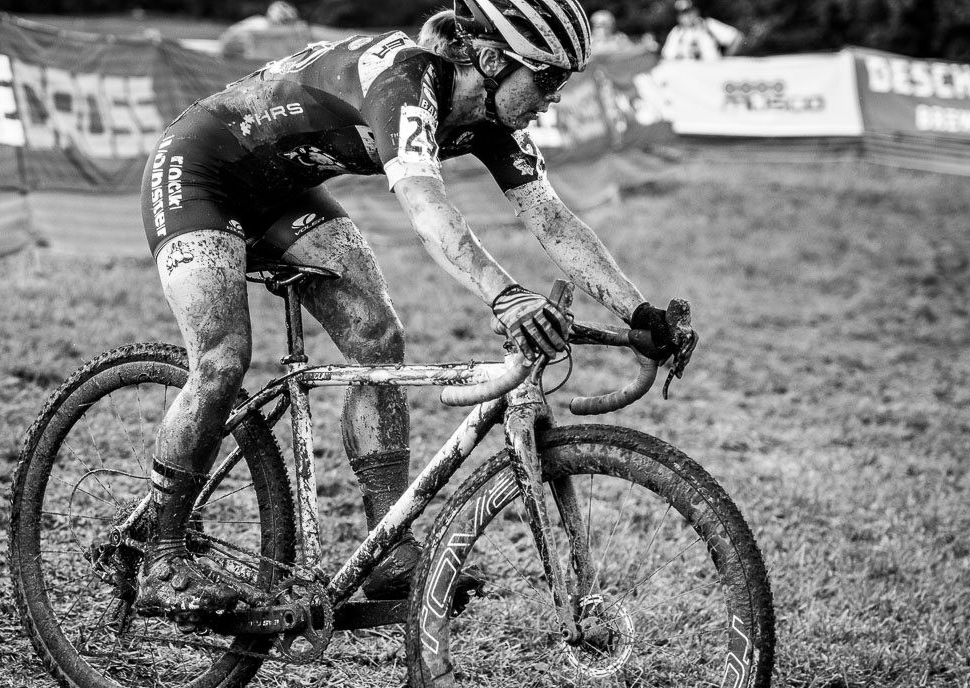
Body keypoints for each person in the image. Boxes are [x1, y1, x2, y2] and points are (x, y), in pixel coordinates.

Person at [136, 0, 694, 616]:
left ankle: (386, 553)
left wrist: (639, 315)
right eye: (548, 79)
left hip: (280, 192)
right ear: (490, 59)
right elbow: (428, 211)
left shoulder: (488, 116)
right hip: (200, 173)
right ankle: (162, 556)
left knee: (377, 337)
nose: (554, 98)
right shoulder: (406, 84)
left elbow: (552, 219)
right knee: (222, 361)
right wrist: (505, 295)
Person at [218, 1, 313, 60]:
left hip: (280, 71)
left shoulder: (299, 30)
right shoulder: (257, 24)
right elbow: (225, 41)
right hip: (256, 70)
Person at [661, 0, 743, 61]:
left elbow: (737, 37)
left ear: (696, 11)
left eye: (689, 12)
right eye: (682, 13)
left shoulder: (708, 25)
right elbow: (667, 57)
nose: (686, 16)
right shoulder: (676, 32)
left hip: (713, 75)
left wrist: (726, 59)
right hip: (687, 79)